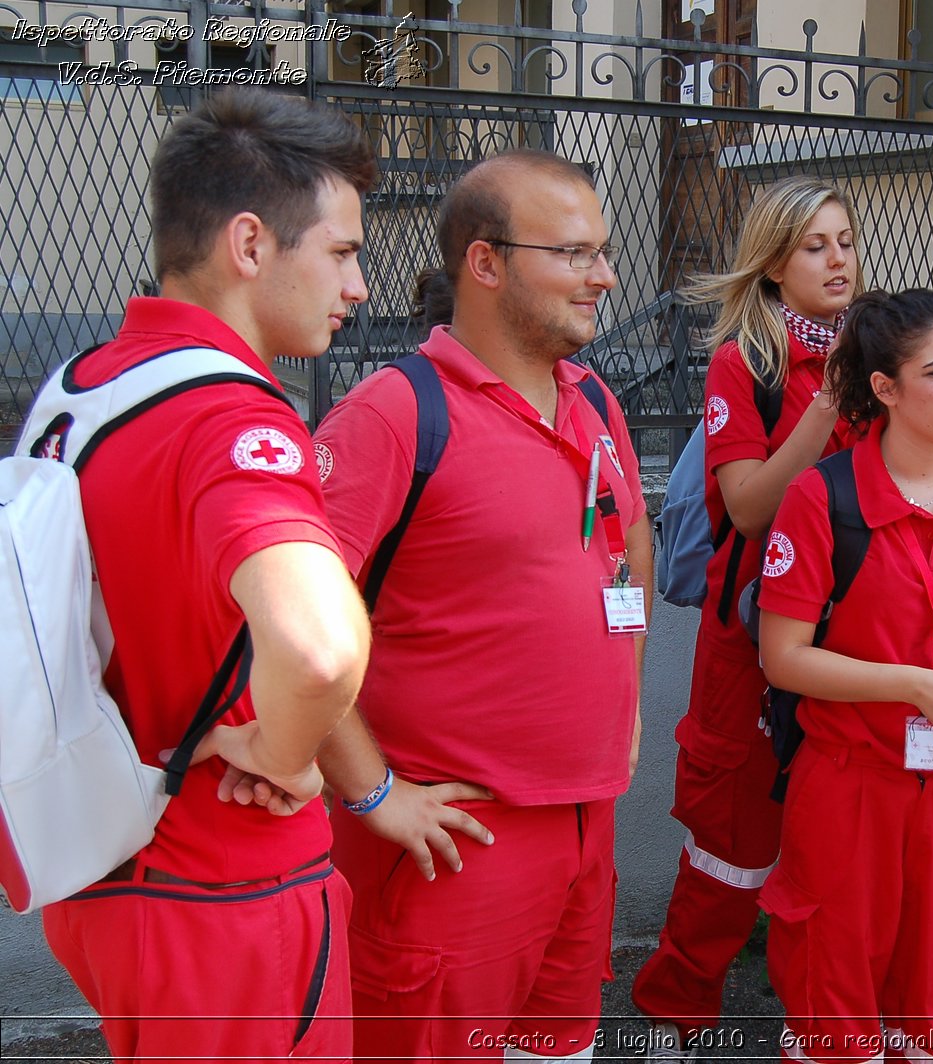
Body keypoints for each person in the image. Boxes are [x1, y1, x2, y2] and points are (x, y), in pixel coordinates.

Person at [34, 88, 374, 1062]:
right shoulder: (233, 416)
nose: (357, 287)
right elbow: (316, 645)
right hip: (225, 890)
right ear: (251, 244)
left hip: (109, 871)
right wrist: (284, 749)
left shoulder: (83, 384)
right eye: (342, 253)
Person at [312, 150, 651, 1063]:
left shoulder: (596, 405)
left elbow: (631, 557)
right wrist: (372, 789)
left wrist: (620, 715)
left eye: (602, 251)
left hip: (587, 827)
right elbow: (287, 624)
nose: (605, 275)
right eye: (574, 254)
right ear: (486, 263)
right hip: (454, 847)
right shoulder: (391, 416)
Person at [757, 288, 933, 1063]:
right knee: (835, 1006)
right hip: (851, 787)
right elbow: (784, 657)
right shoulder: (824, 497)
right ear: (884, 387)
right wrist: (916, 684)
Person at [632, 177, 864, 1058]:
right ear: (772, 265)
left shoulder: (884, 344)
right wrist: (827, 408)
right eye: (815, 246)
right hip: (755, 644)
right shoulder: (748, 363)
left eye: (845, 240)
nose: (838, 259)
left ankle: (819, 1021)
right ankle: (677, 1011)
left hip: (855, 641)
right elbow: (749, 504)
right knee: (731, 848)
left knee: (837, 845)